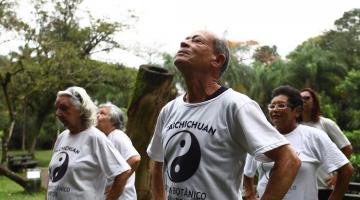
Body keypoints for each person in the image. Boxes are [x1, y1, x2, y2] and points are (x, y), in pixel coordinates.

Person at [146, 30, 301, 200]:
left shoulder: (236, 106)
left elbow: (289, 160)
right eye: (185, 40)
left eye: (196, 41)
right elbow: (156, 159)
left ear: (217, 60)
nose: (184, 43)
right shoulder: (169, 110)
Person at [243, 85, 353, 200]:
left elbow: (346, 170)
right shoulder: (261, 137)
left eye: (281, 105)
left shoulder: (314, 136)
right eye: (272, 106)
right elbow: (247, 172)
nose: (275, 109)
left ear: (297, 111)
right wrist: (250, 195)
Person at [47, 86, 132, 200]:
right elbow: (52, 180)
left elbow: (123, 172)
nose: (58, 113)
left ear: (81, 110)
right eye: (57, 108)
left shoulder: (95, 137)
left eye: (64, 108)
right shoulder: (62, 137)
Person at [300, 87, 353, 200]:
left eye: (307, 98)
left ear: (314, 102)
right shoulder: (293, 126)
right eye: (300, 98)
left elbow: (347, 148)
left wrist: (337, 176)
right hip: (300, 186)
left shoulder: (325, 123)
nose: (303, 100)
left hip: (323, 186)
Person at [97, 102, 141, 200]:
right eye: (97, 113)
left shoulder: (117, 135)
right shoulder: (106, 138)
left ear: (113, 120)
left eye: (102, 113)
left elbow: (135, 159)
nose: (97, 116)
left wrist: (116, 185)